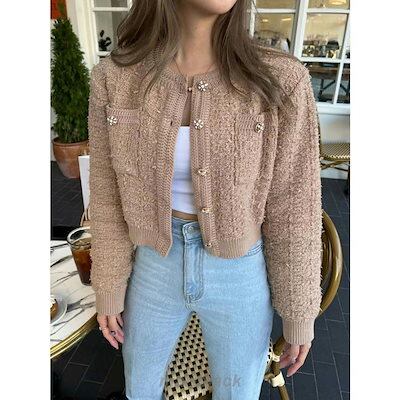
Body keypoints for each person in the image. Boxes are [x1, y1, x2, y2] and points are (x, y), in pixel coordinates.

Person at [88, 0, 323, 399]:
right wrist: (108, 285)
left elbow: (294, 205)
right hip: (153, 265)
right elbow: (107, 192)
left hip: (240, 271)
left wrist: (299, 312)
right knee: (139, 388)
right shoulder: (116, 77)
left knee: (238, 393)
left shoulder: (280, 79)